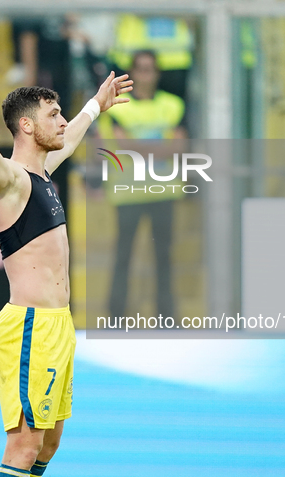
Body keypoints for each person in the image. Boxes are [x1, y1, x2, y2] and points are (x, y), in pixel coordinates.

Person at [0, 60, 132, 477]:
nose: (62, 122)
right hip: (30, 327)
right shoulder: (11, 180)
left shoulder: (42, 175)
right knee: (24, 445)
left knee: (49, 441)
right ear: (26, 126)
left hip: (58, 325)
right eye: (53, 115)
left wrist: (96, 106)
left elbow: (72, 136)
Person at [100, 50, 187, 320]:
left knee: (164, 257)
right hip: (129, 193)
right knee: (123, 256)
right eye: (141, 69)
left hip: (164, 192)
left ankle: (167, 317)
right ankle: (116, 318)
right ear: (133, 73)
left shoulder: (174, 105)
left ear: (157, 73)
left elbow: (180, 146)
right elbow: (121, 146)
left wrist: (140, 146)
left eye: (151, 69)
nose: (146, 74)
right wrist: (160, 146)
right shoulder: (119, 105)